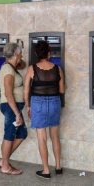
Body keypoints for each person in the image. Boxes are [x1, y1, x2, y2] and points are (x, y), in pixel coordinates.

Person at [24, 40, 65, 179]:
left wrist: (28, 106)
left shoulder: (32, 69)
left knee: (42, 138)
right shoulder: (57, 68)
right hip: (54, 102)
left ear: (36, 53)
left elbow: (26, 90)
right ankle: (58, 167)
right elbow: (62, 89)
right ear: (49, 53)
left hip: (38, 103)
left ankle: (46, 170)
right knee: (55, 136)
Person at [0, 43, 28, 175]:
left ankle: (3, 160)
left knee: (22, 134)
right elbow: (8, 93)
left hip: (14, 107)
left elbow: (23, 64)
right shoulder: (7, 69)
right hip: (10, 107)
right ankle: (5, 166)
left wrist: (18, 60)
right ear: (16, 54)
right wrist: (17, 113)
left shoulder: (11, 67)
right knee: (9, 135)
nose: (22, 55)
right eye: (20, 53)